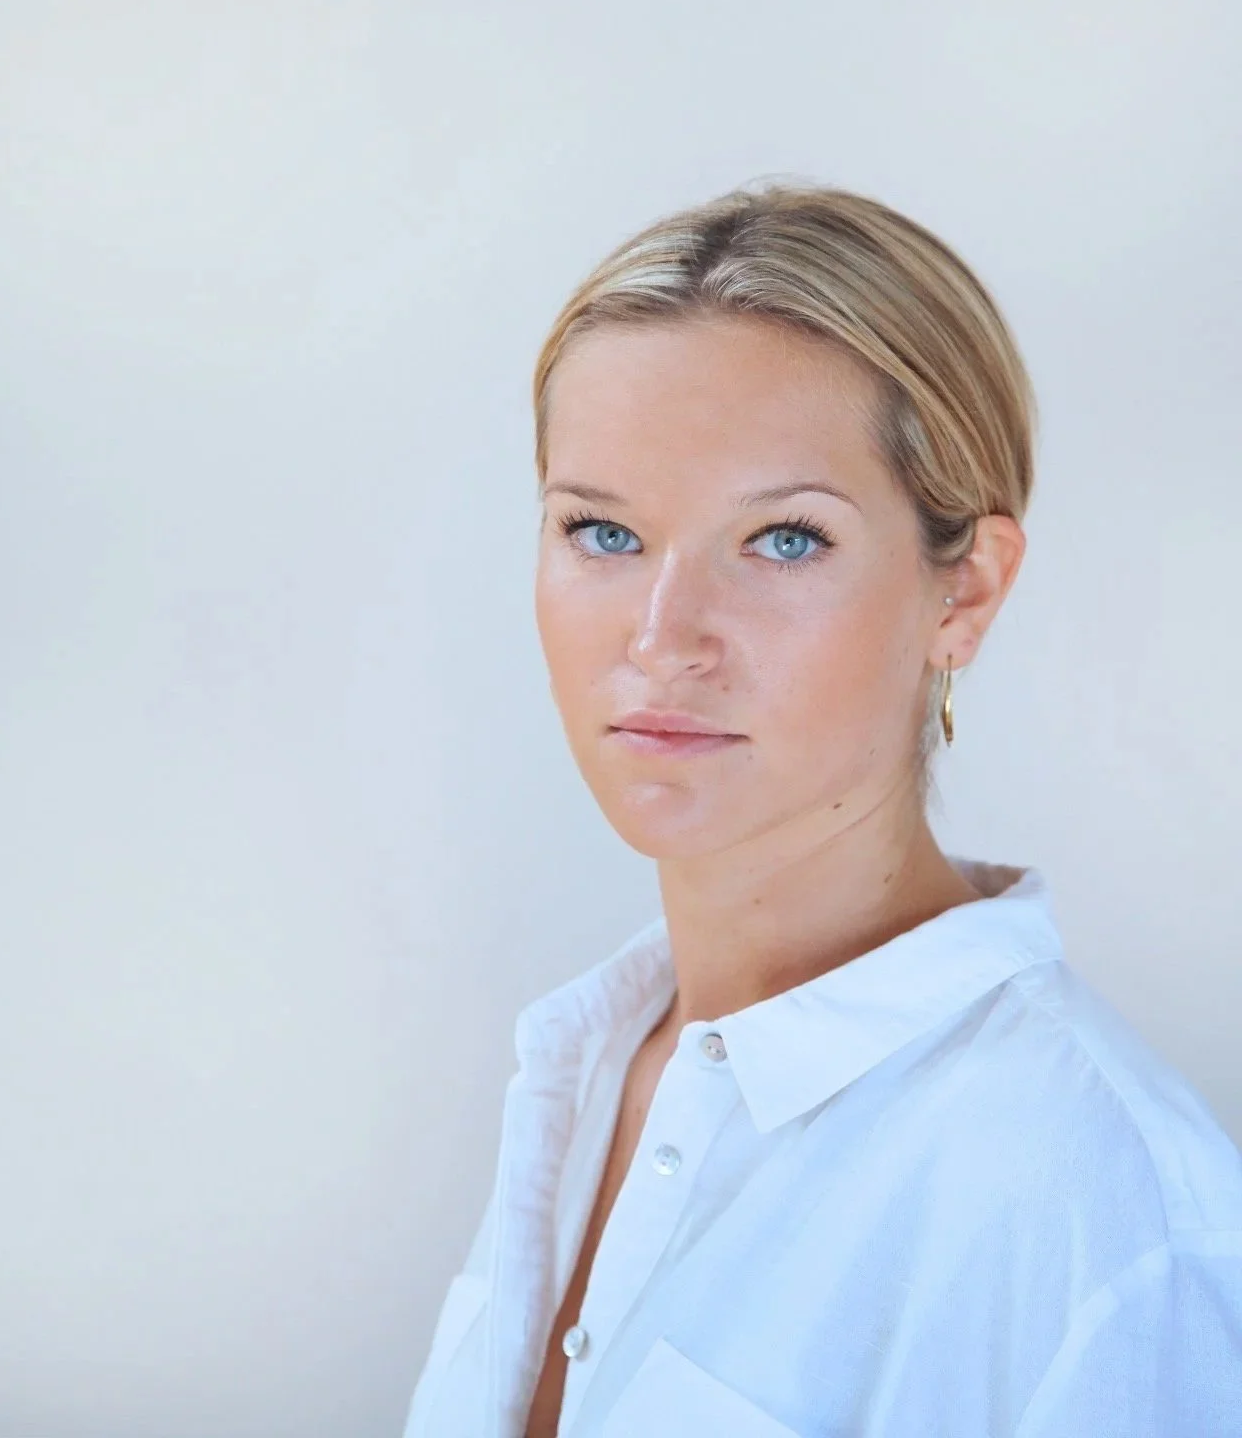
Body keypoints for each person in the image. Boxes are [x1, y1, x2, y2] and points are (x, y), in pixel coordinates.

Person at [401, 185, 1242, 1438]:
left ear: (963, 591)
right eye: (602, 530)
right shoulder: (583, 1070)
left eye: (783, 540)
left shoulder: (1101, 1210)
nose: (659, 637)